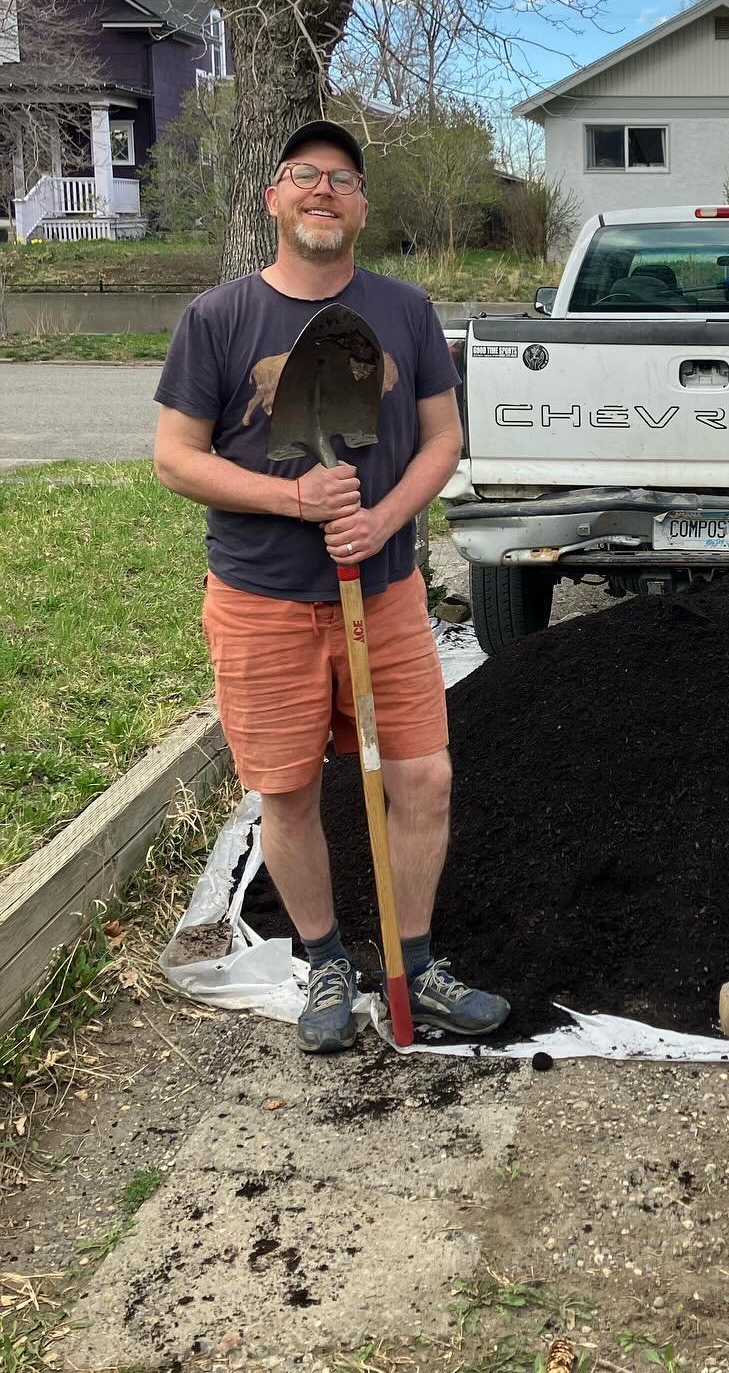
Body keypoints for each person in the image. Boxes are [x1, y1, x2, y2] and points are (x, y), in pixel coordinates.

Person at [154, 119, 508, 1053]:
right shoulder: (219, 319)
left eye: (343, 180)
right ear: (273, 198)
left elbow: (443, 441)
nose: (324, 191)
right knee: (289, 792)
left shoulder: (405, 309)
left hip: (384, 592)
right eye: (304, 176)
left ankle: (415, 962)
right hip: (262, 600)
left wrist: (383, 519)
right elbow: (176, 459)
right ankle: (324, 960)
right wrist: (294, 497)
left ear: (361, 207)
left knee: (422, 777)